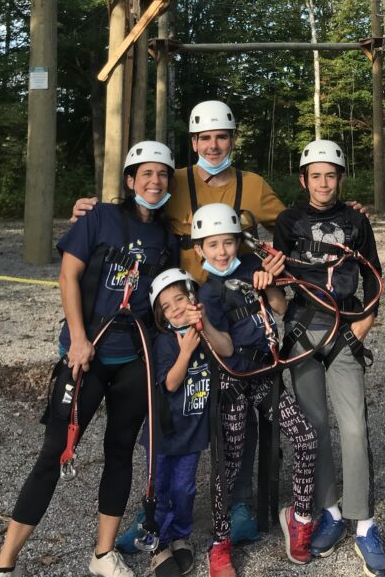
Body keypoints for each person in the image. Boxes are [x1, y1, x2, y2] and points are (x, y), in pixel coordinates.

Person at [77, 100, 286, 547]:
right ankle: (153, 511)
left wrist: (345, 215)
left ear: (233, 139)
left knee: (236, 411)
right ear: (193, 142)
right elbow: (138, 208)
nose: (213, 145)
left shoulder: (254, 186)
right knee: (167, 412)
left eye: (222, 137)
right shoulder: (171, 180)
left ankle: (239, 501)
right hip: (177, 316)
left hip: (229, 317)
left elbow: (288, 227)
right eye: (204, 138)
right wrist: (93, 214)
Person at [0, 141, 178, 577]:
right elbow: (68, 275)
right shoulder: (99, 218)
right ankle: (5, 563)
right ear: (130, 180)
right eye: (145, 174)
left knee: (119, 453)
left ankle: (102, 553)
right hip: (88, 352)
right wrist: (78, 339)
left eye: (163, 174)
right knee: (55, 454)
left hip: (135, 358)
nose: (155, 182)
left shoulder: (166, 237)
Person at [273, 139, 385, 577]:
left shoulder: (356, 220)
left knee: (355, 427)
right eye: (315, 176)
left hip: (346, 330)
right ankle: (331, 512)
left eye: (331, 175)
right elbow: (278, 277)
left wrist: (367, 321)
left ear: (341, 179)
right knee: (315, 425)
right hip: (303, 330)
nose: (324, 183)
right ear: (303, 180)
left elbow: (374, 272)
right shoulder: (288, 222)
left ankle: (364, 524)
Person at [189, 203, 318, 577]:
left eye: (227, 243)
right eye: (212, 245)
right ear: (200, 249)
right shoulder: (206, 293)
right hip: (232, 380)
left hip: (264, 375)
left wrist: (269, 284)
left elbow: (277, 308)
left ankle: (300, 518)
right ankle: (220, 542)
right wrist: (203, 328)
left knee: (305, 438)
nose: (222, 252)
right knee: (227, 462)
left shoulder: (249, 268)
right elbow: (225, 349)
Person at [146, 268, 211, 577]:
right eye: (166, 306)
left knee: (184, 489)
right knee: (158, 488)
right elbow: (170, 384)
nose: (175, 309)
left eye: (180, 299)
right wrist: (185, 352)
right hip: (163, 433)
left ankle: (180, 535)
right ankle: (157, 541)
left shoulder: (206, 333)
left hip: (193, 432)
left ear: (193, 299)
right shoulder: (165, 342)